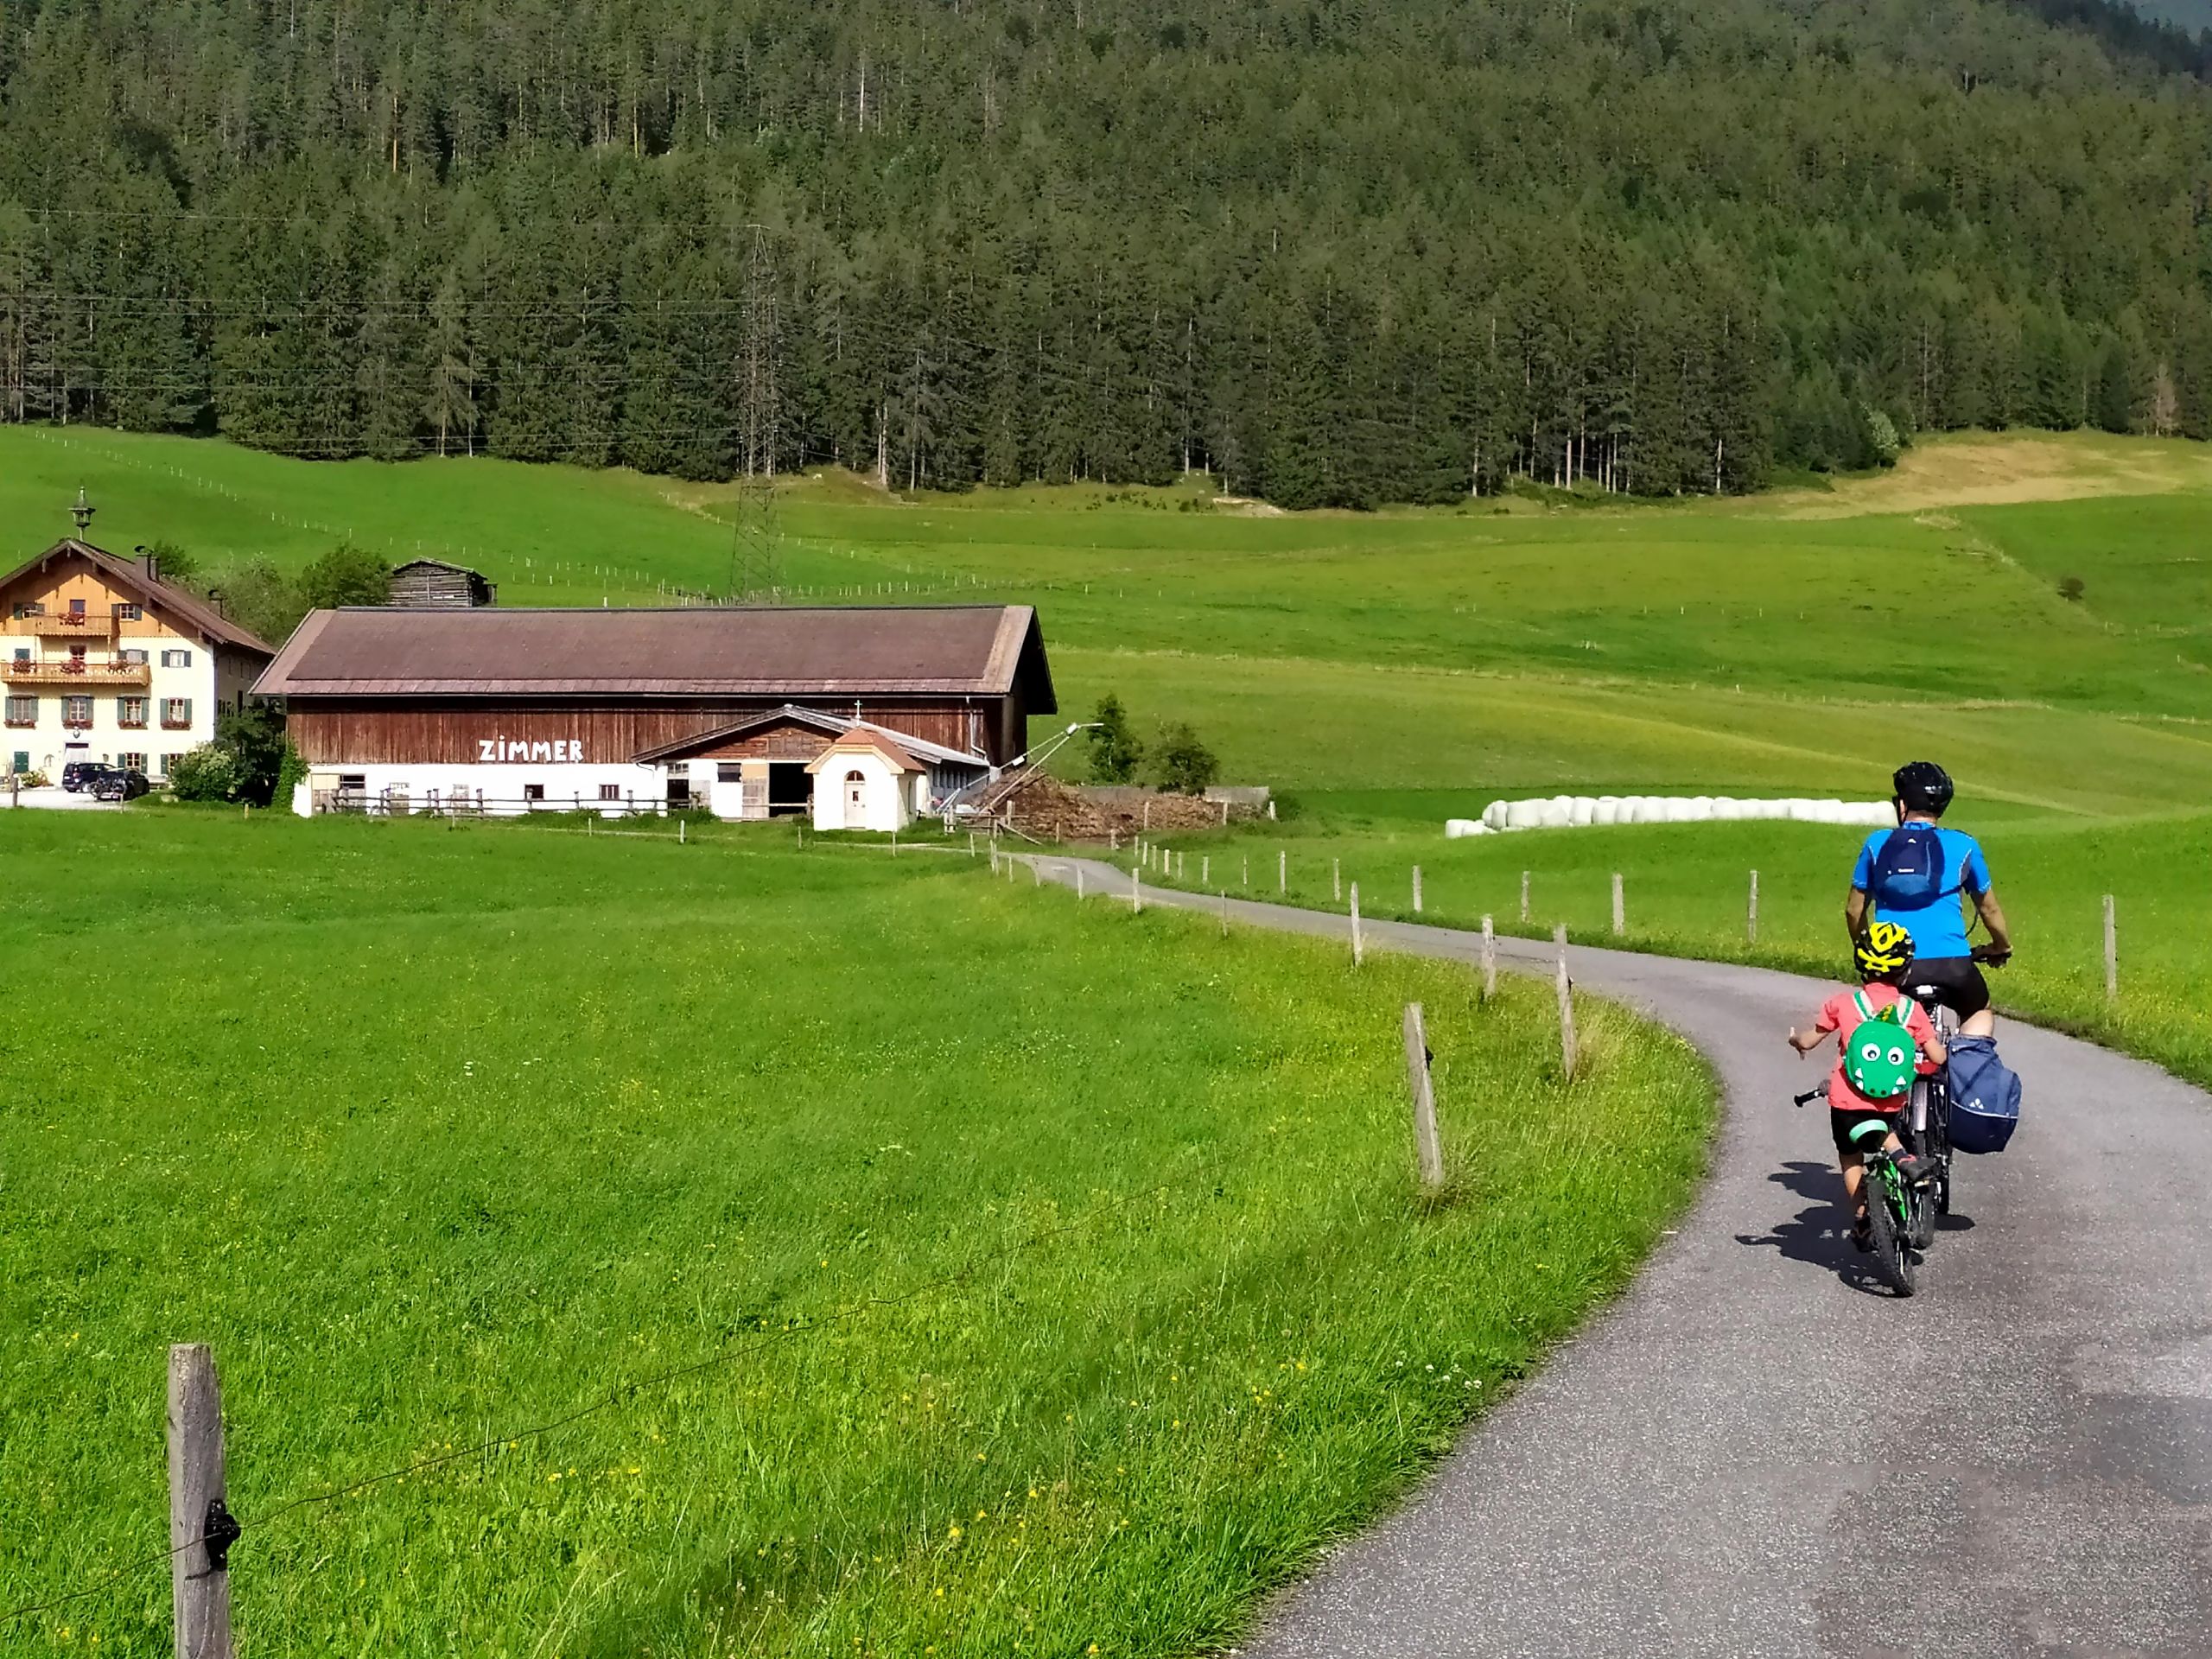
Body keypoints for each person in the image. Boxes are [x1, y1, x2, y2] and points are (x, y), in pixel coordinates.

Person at [1789, 921, 1948, 1250]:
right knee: (1882, 1126)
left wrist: (1796, 1041)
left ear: (1860, 965)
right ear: (1905, 970)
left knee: (1851, 1158)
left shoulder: (1841, 1005)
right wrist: (1933, 1057)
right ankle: (1904, 1159)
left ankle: (1863, 1218)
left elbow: (1810, 1039)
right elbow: (1936, 1056)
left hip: (1845, 1104)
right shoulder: (1911, 1010)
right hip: (1889, 1102)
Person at [1845, 760, 2012, 1037]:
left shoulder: (1877, 843)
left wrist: (1869, 953)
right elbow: (1989, 910)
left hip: (1892, 967)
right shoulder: (1964, 845)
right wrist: (2000, 946)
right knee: (1978, 1010)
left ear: (1902, 806)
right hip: (1952, 963)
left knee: (1878, 1030)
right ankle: (1970, 1062)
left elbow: (1853, 911)